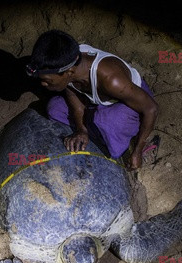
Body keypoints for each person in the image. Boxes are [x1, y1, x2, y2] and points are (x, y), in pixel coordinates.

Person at [26, 30, 159, 170]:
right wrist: (81, 130)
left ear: (69, 72)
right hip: (99, 100)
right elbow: (74, 99)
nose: (43, 84)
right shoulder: (69, 63)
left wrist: (137, 151)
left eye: (47, 81)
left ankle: (133, 143)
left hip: (133, 102)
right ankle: (98, 132)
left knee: (105, 121)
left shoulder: (112, 80)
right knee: (55, 108)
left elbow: (151, 108)